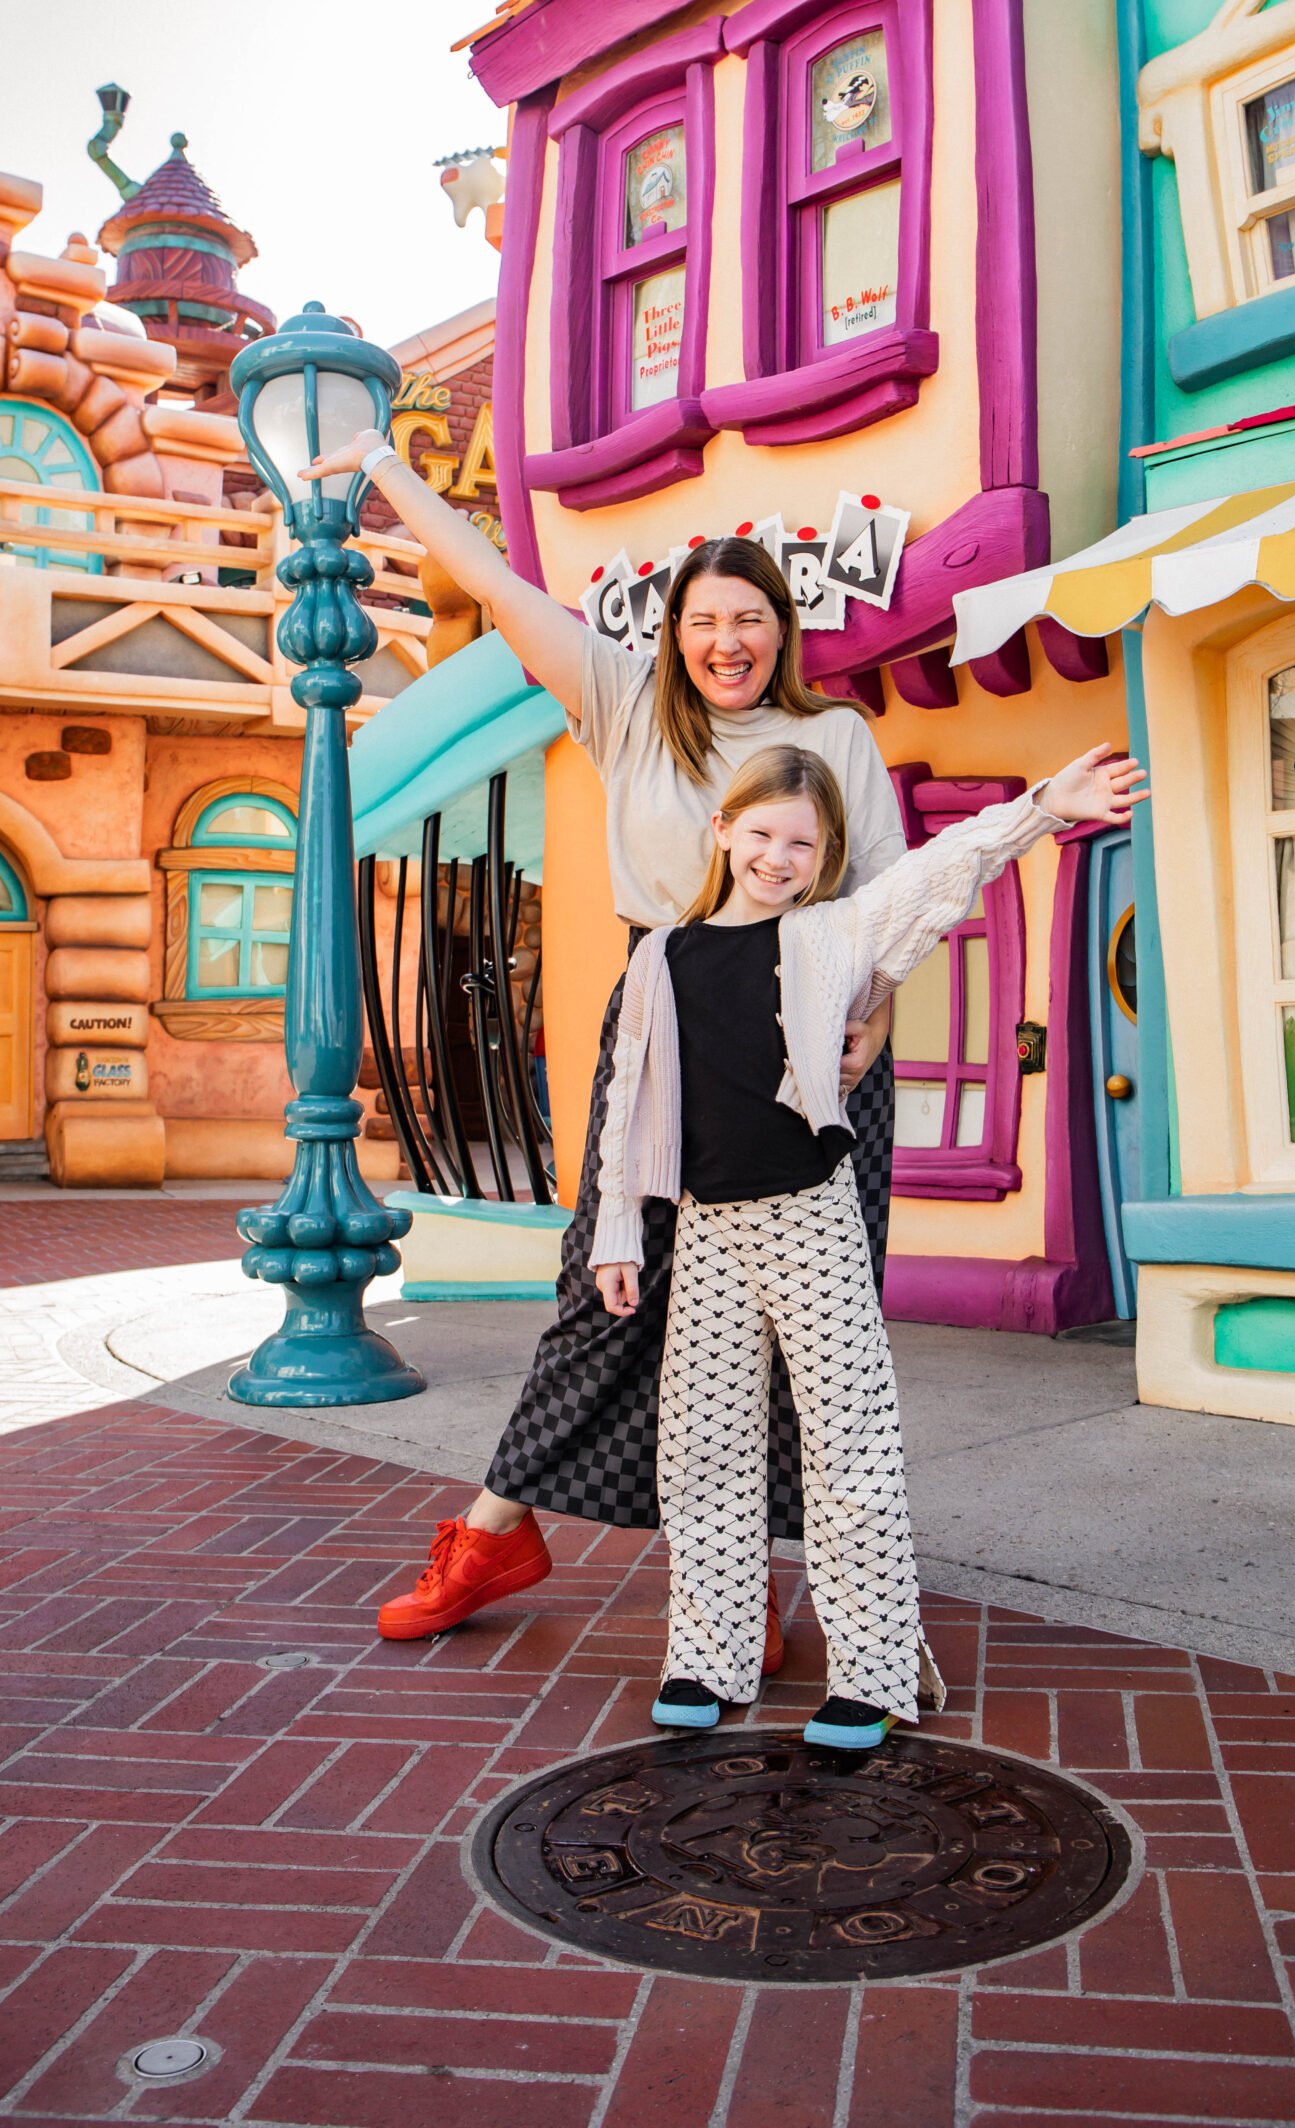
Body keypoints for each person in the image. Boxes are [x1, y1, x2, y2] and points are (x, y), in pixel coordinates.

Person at [304, 428, 906, 1667]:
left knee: (810, 1327)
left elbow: (886, 904)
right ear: (673, 635)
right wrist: (382, 465)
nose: (727, 642)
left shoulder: (837, 737)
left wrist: (879, 1013)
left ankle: (760, 1582)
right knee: (603, 1286)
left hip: (815, 1053)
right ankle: (494, 1529)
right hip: (668, 1038)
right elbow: (500, 577)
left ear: (782, 630)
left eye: (749, 619)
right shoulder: (627, 708)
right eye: (704, 622)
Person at [592, 737, 1148, 1748]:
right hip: (710, 1229)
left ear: (825, 854)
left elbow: (949, 867)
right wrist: (616, 1233)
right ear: (723, 831)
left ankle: (876, 1671)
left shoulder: (834, 936)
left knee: (852, 1444)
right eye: (760, 831)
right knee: (702, 1450)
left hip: (810, 1215)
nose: (777, 855)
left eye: (801, 842)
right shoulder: (660, 956)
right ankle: (708, 1661)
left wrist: (1044, 805)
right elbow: (627, 1103)